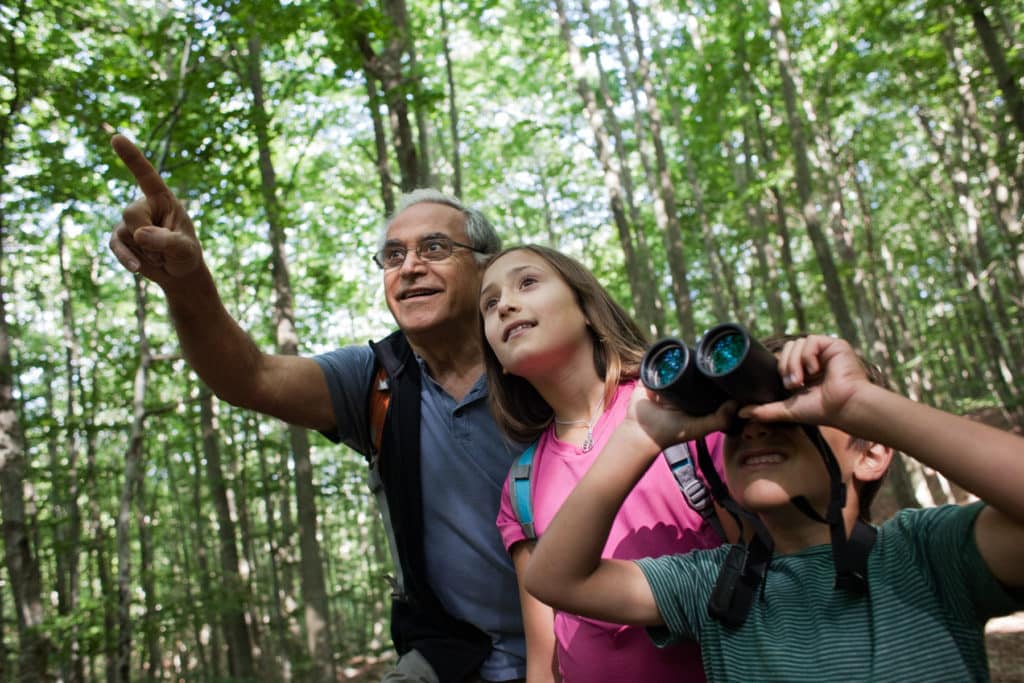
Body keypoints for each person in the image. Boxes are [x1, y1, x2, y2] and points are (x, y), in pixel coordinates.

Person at [108, 134, 527, 682]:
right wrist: (188, 286)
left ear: (487, 269)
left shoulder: (543, 357)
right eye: (393, 255)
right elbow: (249, 377)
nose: (410, 267)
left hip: (589, 632)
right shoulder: (375, 380)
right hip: (453, 656)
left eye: (435, 248)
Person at [523, 333, 1024, 681]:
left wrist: (854, 401)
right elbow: (555, 580)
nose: (758, 426)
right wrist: (639, 435)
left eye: (791, 409)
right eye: (738, 420)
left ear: (871, 452)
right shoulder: (714, 586)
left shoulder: (926, 553)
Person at [478, 245, 729, 682]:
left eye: (528, 282)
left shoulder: (677, 411)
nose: (506, 305)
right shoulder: (520, 483)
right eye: (490, 303)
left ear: (587, 308)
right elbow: (544, 657)